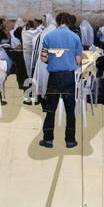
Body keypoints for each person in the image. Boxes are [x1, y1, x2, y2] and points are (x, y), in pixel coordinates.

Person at [38, 12, 83, 149]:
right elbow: (78, 59)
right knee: (70, 111)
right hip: (69, 76)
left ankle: (48, 140)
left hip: (54, 78)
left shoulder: (49, 36)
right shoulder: (75, 37)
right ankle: (70, 140)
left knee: (51, 109)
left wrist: (53, 61)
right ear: (69, 22)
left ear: (57, 22)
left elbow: (43, 58)